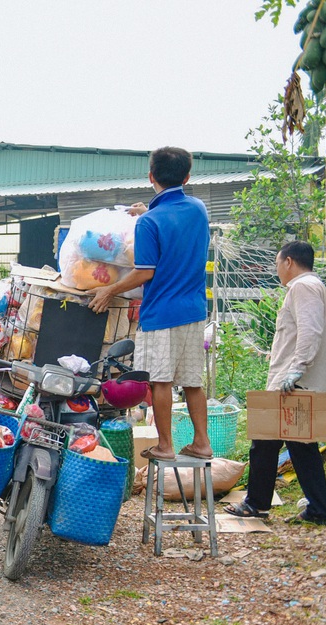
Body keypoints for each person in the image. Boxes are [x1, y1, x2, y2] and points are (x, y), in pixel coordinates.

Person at [90, 146, 212, 462]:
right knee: (192, 382)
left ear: (150, 176)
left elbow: (146, 271)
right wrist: (149, 212)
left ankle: (166, 446)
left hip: (161, 314)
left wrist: (109, 290)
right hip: (194, 311)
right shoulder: (198, 209)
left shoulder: (149, 223)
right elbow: (176, 224)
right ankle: (202, 442)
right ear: (187, 176)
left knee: (161, 381)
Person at [226, 241, 326, 526]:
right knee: (275, 443)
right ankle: (267, 504)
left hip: (295, 386)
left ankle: (307, 510)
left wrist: (296, 370)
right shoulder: (311, 287)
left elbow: (311, 331)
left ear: (288, 262)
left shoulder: (304, 287)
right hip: (293, 383)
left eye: (277, 264)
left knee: (285, 444)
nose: (277, 270)